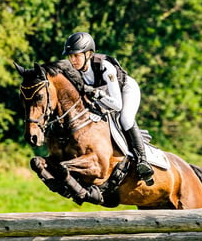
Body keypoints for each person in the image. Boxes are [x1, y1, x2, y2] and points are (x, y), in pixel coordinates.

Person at [63, 31, 155, 185]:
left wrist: (97, 94)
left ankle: (142, 160)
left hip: (125, 90)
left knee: (125, 118)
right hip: (104, 96)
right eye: (70, 56)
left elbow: (117, 105)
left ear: (89, 54)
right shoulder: (75, 72)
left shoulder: (105, 67)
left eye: (76, 55)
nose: (73, 60)